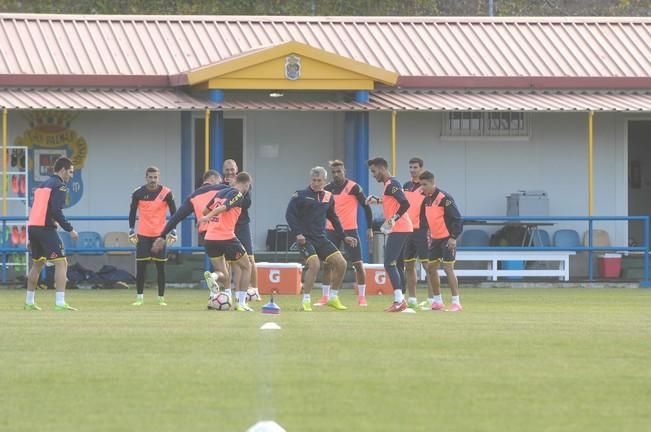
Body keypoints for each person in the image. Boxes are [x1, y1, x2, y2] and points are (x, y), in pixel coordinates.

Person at [285, 166, 357, 312]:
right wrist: (298, 233)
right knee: (315, 265)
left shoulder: (328, 197)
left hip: (321, 239)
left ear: (325, 181)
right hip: (305, 239)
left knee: (342, 263)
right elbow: (289, 215)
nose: (316, 183)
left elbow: (334, 218)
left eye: (319, 180)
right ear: (310, 180)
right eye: (314, 180)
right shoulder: (300, 195)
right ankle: (306, 300)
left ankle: (333, 297)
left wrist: (344, 237)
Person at [25, 156, 79, 311]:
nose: (71, 175)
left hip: (34, 227)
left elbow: (36, 209)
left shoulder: (43, 184)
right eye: (70, 172)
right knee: (61, 263)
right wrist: (70, 229)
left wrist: (31, 235)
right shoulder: (60, 186)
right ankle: (60, 303)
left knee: (38, 264)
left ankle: (29, 302)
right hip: (45, 228)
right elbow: (56, 211)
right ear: (63, 170)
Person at [318, 160, 373, 307]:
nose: (336, 174)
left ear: (344, 171)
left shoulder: (354, 187)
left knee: (358, 264)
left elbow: (366, 207)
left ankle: (361, 297)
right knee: (327, 264)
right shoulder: (327, 188)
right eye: (334, 172)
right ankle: (325, 297)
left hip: (350, 230)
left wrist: (370, 227)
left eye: (339, 171)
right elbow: (321, 210)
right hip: (331, 230)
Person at [199, 172, 254, 311]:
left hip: (210, 238)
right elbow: (223, 208)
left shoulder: (220, 192)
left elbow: (205, 210)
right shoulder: (238, 194)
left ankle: (213, 276)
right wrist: (210, 217)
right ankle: (241, 303)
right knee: (247, 267)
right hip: (227, 238)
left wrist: (210, 218)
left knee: (222, 272)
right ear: (246, 185)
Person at [366, 157, 412, 313]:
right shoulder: (389, 186)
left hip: (399, 228)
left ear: (382, 169)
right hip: (402, 228)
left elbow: (405, 203)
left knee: (389, 263)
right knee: (398, 265)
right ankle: (402, 300)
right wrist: (377, 200)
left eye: (374, 171)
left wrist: (393, 219)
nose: (373, 175)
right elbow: (392, 201)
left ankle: (399, 301)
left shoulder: (392, 184)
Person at [128, 166, 177, 306]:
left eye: (155, 177)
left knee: (160, 268)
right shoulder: (138, 193)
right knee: (141, 267)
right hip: (143, 235)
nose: (153, 180)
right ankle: (139, 297)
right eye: (150, 177)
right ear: (146, 177)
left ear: (158, 177)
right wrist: (131, 229)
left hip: (160, 236)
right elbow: (132, 212)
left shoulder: (166, 192)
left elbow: (174, 213)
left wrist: (173, 230)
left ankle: (161, 298)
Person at [419, 170, 463, 312]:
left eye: (425, 184)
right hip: (435, 239)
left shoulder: (445, 198)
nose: (422, 188)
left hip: (447, 238)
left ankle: (456, 302)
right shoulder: (426, 200)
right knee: (431, 269)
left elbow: (457, 219)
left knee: (448, 268)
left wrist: (453, 237)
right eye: (421, 185)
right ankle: (437, 301)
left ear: (432, 183)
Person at [153, 169, 226, 248]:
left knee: (216, 259)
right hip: (222, 230)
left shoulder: (193, 197)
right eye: (219, 181)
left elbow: (176, 217)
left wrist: (162, 235)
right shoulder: (222, 189)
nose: (220, 183)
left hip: (206, 235)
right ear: (212, 178)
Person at [222, 159, 260, 301]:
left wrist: (236, 191)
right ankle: (229, 292)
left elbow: (247, 203)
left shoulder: (244, 183)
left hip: (242, 225)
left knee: (249, 258)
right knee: (229, 261)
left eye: (232, 169)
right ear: (223, 170)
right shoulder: (221, 185)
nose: (230, 172)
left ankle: (255, 290)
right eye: (227, 169)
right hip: (227, 225)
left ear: (236, 169)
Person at [401, 157, 435, 310]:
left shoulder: (426, 187)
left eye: (415, 167)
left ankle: (431, 298)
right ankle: (412, 298)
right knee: (408, 265)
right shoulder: (406, 186)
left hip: (422, 229)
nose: (413, 170)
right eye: (411, 167)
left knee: (428, 266)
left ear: (421, 168)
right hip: (407, 229)